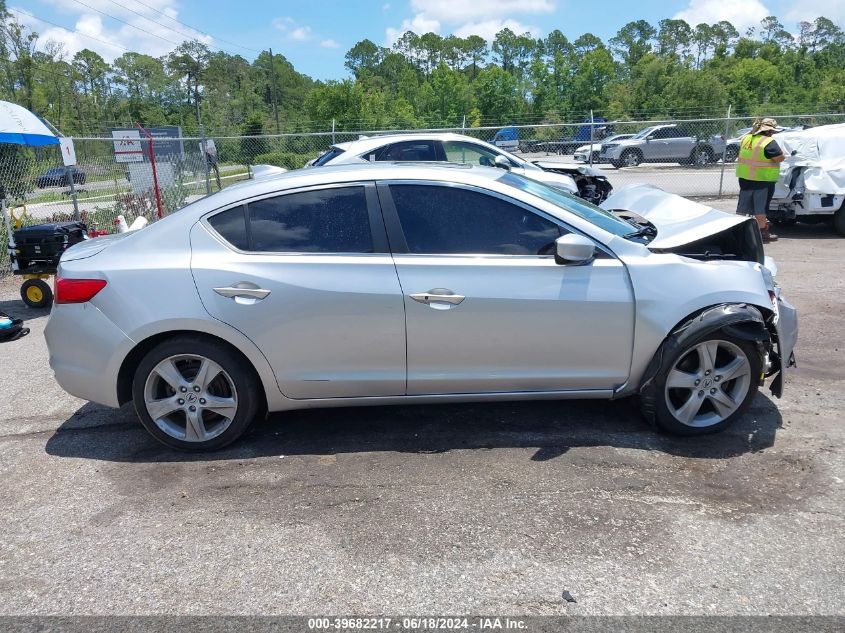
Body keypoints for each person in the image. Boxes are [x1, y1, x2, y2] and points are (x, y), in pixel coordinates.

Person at [736, 117, 786, 243]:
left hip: (745, 179)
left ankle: (738, 231)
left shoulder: (746, 139)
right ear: (770, 131)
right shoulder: (768, 142)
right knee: (760, 208)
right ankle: (763, 233)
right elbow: (779, 158)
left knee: (742, 208)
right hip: (762, 181)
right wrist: (783, 154)